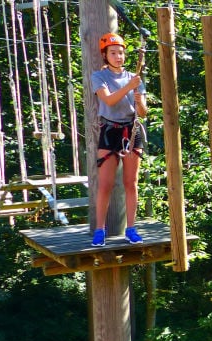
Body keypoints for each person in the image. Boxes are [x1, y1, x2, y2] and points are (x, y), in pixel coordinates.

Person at [89, 32, 148, 247]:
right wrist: (129, 87)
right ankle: (99, 230)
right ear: (105, 55)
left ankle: (131, 228)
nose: (118, 56)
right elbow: (109, 100)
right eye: (113, 53)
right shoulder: (99, 77)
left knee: (130, 183)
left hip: (131, 130)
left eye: (121, 53)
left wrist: (139, 100)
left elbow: (143, 113)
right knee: (105, 185)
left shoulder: (134, 78)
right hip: (110, 130)